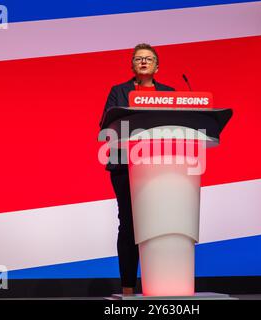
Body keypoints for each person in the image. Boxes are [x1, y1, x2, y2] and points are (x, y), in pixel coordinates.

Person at [100, 43, 175, 295]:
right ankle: (129, 289)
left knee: (159, 225)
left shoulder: (169, 93)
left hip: (160, 166)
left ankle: (160, 285)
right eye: (139, 58)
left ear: (157, 66)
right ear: (132, 65)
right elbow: (106, 123)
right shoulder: (118, 91)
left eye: (149, 58)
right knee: (129, 225)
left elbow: (176, 126)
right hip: (125, 164)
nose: (143, 62)